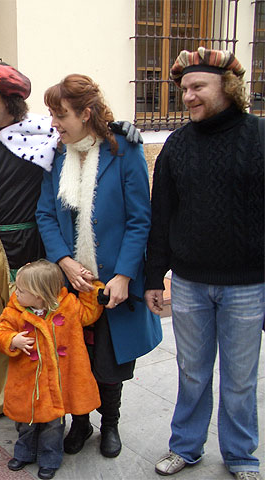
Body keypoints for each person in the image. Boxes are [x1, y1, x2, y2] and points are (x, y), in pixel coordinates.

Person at [0, 61, 140, 428]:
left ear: (11, 100)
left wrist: (121, 128)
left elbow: (86, 134)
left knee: (29, 325)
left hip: (27, 249)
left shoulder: (45, 136)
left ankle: (31, 397)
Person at [145, 47, 264, 480]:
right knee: (192, 373)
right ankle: (186, 447)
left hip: (248, 285)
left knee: (240, 379)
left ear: (227, 88)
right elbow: (161, 217)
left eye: (198, 87)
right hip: (191, 283)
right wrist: (155, 275)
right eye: (183, 90)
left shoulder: (260, 137)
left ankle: (241, 456)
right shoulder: (177, 145)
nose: (188, 96)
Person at [36, 74, 162, 459]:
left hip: (112, 281)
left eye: (60, 115)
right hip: (71, 281)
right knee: (75, 358)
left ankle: (110, 424)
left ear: (86, 113)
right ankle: (80, 423)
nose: (54, 124)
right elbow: (45, 214)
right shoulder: (57, 153)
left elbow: (141, 218)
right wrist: (65, 261)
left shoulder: (124, 150)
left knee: (109, 360)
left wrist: (124, 275)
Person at [0, 259, 105, 480]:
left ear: (39, 294)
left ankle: (50, 459)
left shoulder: (69, 306)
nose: (16, 292)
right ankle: (24, 452)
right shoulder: (15, 310)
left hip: (57, 385)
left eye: (22, 289)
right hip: (28, 385)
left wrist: (92, 288)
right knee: (26, 423)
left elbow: (90, 313)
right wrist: (12, 340)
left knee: (54, 426)